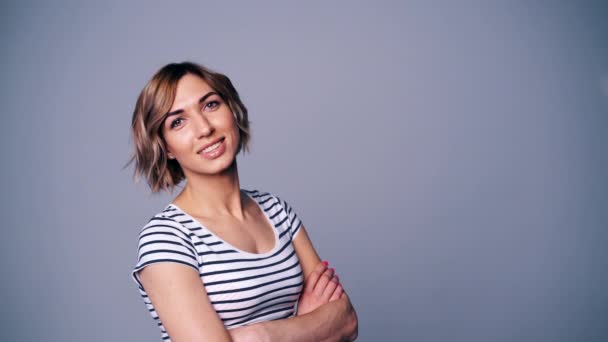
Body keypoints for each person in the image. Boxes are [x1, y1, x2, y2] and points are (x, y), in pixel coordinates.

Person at [128, 61, 358, 341]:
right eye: (178, 121)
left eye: (210, 105)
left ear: (232, 110)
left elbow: (346, 320)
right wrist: (309, 325)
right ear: (166, 147)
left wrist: (260, 335)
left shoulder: (278, 212)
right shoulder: (167, 238)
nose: (204, 128)